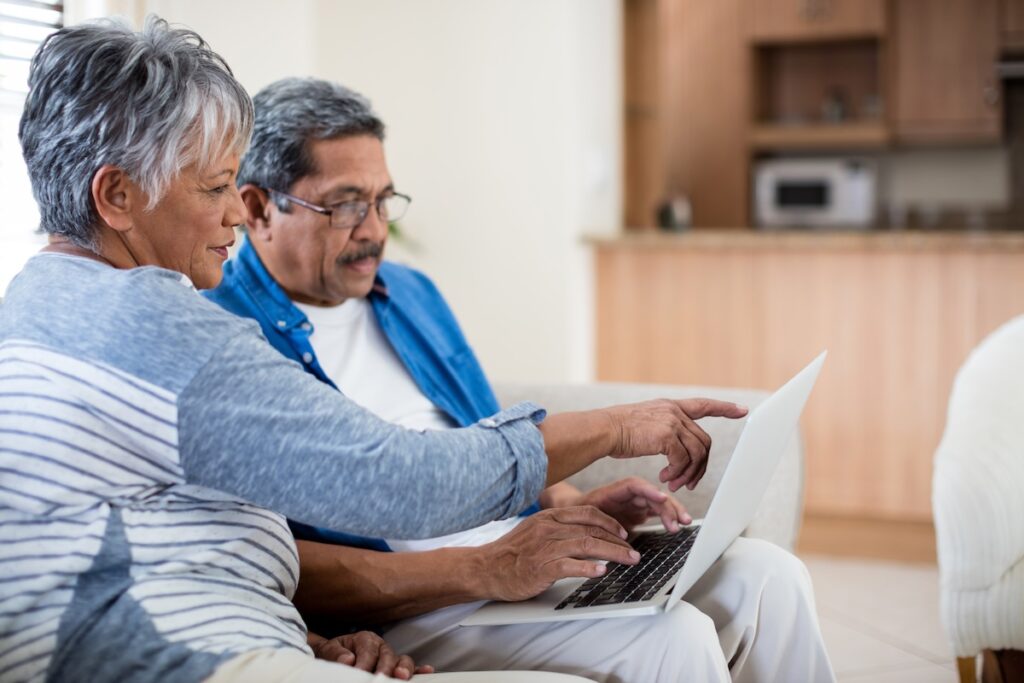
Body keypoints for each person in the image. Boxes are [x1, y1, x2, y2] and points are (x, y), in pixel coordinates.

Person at [0, 18, 746, 683]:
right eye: (218, 186)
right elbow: (396, 481)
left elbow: (175, 536)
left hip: (238, 635)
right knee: (667, 644)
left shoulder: (44, 301)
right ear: (117, 197)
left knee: (751, 587)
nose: (234, 210)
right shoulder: (153, 324)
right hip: (185, 650)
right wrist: (616, 428)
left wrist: (314, 635)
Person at [205, 77, 837, 683]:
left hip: (514, 561)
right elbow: (268, 558)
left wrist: (566, 505)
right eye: (345, 204)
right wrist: (485, 566)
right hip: (428, 602)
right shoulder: (224, 338)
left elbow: (480, 443)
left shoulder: (410, 294)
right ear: (259, 207)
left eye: (382, 201)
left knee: (770, 577)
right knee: (675, 639)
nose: (373, 230)